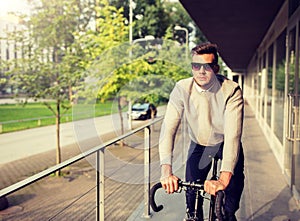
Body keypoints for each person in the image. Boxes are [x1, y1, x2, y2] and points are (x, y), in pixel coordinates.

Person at [159, 42, 244, 221]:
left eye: (207, 66)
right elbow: (168, 129)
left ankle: (228, 214)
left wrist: (224, 178)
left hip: (224, 142)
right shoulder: (182, 88)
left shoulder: (231, 90)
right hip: (200, 143)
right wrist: (166, 171)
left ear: (216, 68)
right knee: (191, 194)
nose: (201, 71)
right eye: (196, 66)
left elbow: (233, 135)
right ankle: (193, 216)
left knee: (231, 193)